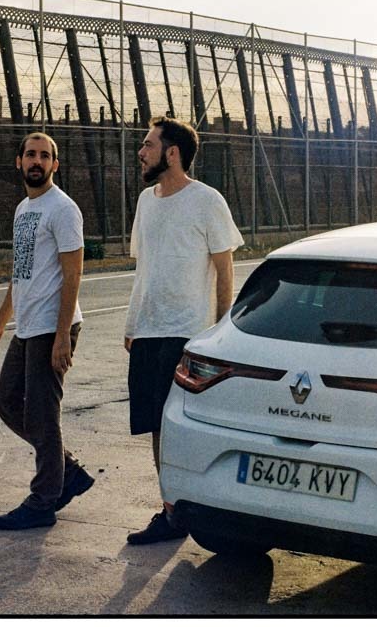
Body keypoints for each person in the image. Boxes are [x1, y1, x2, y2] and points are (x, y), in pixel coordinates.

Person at [123, 117, 243, 545]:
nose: (141, 151)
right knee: (156, 425)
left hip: (189, 333)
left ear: (172, 153)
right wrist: (132, 323)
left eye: (148, 144)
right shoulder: (145, 201)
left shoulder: (207, 200)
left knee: (186, 427)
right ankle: (171, 512)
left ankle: (207, 508)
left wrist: (221, 331)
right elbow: (146, 267)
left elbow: (224, 269)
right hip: (149, 331)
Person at [0, 132, 94, 530]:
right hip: (27, 326)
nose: (37, 161)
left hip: (52, 326)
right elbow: (21, 271)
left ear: (55, 165)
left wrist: (63, 335)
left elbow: (73, 273)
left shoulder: (63, 209)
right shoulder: (23, 209)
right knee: (8, 403)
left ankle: (44, 499)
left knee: (43, 415)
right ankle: (68, 472)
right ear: (19, 162)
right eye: (30, 154)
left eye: (45, 156)